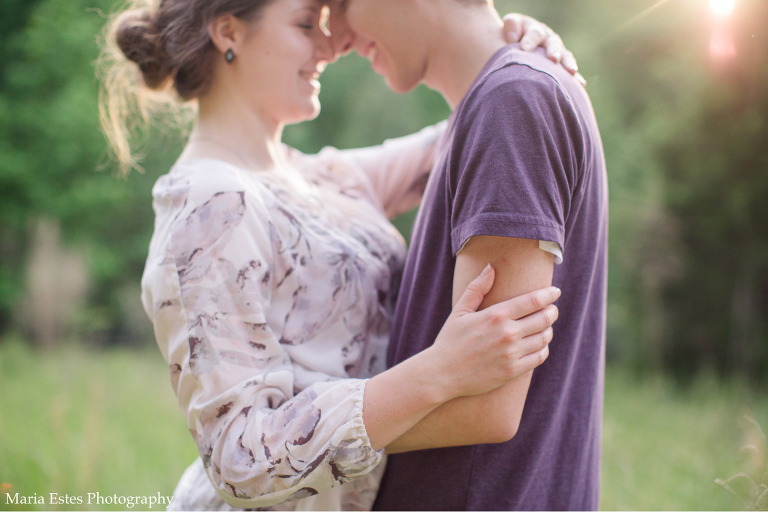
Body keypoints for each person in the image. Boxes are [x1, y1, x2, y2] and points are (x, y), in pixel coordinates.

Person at [99, 0, 577, 509]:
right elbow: (240, 459)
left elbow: (487, 120)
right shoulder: (208, 204)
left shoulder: (322, 177)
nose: (331, 47)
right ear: (228, 33)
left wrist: (512, 45)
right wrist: (439, 372)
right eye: (307, 25)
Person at [320, 0, 608, 510]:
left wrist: (284, 434)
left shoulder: (515, 101)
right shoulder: (494, 100)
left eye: (341, 4)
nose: (336, 35)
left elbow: (486, 407)